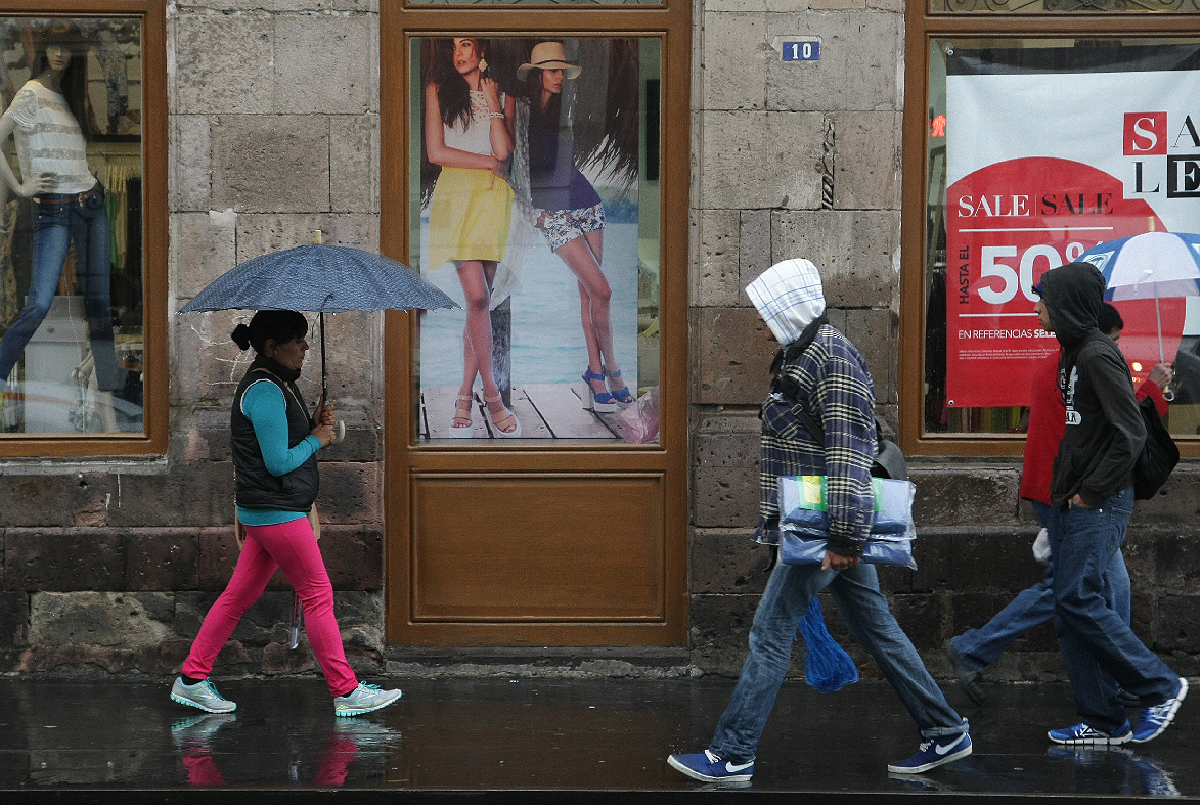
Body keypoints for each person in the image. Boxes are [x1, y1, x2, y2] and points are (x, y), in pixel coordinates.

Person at [667, 259, 972, 782]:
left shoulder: (832, 358)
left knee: (769, 631)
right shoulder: (801, 353)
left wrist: (846, 537)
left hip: (825, 529)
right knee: (876, 628)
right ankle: (945, 731)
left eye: (765, 311)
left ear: (787, 309)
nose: (759, 322)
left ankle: (733, 751)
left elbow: (849, 453)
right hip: (822, 524)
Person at [171, 311, 401, 717]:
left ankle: (191, 679)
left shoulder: (277, 384)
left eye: (306, 339)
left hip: (267, 508)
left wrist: (312, 427)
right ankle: (346, 691)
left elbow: (278, 443)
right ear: (273, 348)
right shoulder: (264, 390)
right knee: (318, 594)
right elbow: (278, 463)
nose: (306, 348)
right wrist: (316, 438)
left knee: (238, 595)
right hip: (275, 510)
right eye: (298, 340)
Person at [944, 303, 1171, 705]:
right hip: (1069, 495)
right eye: (1114, 339)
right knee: (1071, 591)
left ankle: (1118, 680)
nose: (1117, 349)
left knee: (1098, 585)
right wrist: (1152, 388)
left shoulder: (1066, 364)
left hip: (1063, 491)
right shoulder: (1076, 367)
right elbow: (1115, 429)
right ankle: (1129, 680)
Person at [1034, 262, 1187, 746]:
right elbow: (1082, 434)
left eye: (1045, 299)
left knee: (1078, 597)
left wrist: (1088, 493)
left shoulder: (1097, 355)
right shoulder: (1073, 353)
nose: (1038, 308)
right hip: (1075, 498)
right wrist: (1063, 494)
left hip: (1100, 501)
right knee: (1069, 607)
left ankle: (1161, 687)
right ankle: (1102, 719)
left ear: (1067, 307)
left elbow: (1131, 434)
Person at [0, 21, 118, 396]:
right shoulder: (30, 94)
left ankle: (108, 385)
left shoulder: (69, 98)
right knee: (39, 302)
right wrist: (20, 187)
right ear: (43, 51)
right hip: (52, 209)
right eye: (53, 46)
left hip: (92, 202)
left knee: (99, 300)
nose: (59, 54)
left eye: (67, 48)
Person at [516, 41, 633, 413]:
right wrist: (534, 217)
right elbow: (510, 171)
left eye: (561, 70)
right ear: (536, 74)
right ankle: (613, 369)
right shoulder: (520, 113)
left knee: (589, 294)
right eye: (551, 70)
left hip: (587, 203)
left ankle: (595, 372)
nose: (558, 76)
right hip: (556, 215)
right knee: (604, 289)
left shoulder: (562, 112)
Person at [425, 37, 520, 437]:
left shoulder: (502, 95)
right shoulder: (438, 91)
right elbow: (435, 152)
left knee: (477, 303)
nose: (458, 53)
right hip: (455, 198)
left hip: (493, 203)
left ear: (482, 53)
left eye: (466, 45)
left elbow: (505, 151)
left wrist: (493, 101)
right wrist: (487, 164)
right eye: (453, 46)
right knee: (478, 297)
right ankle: (492, 395)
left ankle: (464, 392)